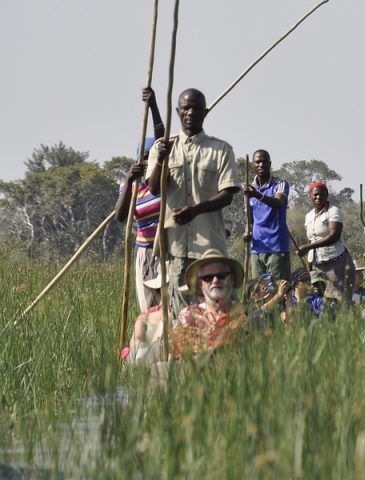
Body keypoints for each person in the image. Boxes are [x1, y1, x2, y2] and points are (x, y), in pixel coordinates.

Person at [146, 88, 241, 288]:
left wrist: (195, 210)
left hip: (210, 247)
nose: (190, 113)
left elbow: (227, 195)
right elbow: (154, 189)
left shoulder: (221, 150)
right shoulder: (161, 147)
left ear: (204, 113)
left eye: (196, 109)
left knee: (213, 307)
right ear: (178, 111)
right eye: (186, 108)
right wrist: (162, 160)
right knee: (179, 309)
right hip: (176, 246)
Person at [114, 86, 165, 312]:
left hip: (165, 248)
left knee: (166, 306)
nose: (146, 162)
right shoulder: (131, 185)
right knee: (147, 309)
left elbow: (162, 138)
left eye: (150, 158)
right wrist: (129, 181)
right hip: (144, 251)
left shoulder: (162, 178)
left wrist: (153, 105)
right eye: (143, 158)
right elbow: (120, 216)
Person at [172, 250, 246, 358]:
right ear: (200, 285)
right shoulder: (189, 315)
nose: (215, 280)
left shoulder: (246, 313)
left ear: (232, 280)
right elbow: (177, 354)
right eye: (208, 277)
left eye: (222, 276)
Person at [296, 181, 355, 308]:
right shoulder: (309, 216)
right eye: (315, 195)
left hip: (337, 263)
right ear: (310, 196)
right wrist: (309, 265)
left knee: (341, 301)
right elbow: (311, 240)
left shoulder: (333, 211)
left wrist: (307, 247)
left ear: (327, 195)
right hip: (318, 265)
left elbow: (334, 236)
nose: (318, 197)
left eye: (322, 194)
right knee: (322, 300)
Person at [243, 149, 291, 283]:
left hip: (276, 247)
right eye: (257, 162)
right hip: (256, 248)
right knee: (258, 292)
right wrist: (247, 232)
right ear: (253, 165)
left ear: (270, 164)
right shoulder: (249, 189)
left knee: (277, 291)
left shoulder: (280, 184)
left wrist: (257, 195)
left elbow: (278, 202)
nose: (261, 165)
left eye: (264, 162)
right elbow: (250, 219)